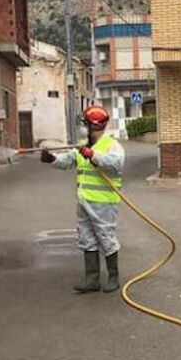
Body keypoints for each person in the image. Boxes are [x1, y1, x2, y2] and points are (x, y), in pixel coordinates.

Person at [41, 105, 125, 294]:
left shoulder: (112, 145)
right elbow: (68, 160)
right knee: (86, 238)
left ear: (94, 125)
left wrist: (93, 155)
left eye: (85, 124)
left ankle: (113, 278)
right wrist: (52, 159)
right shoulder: (83, 145)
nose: (82, 127)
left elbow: (116, 165)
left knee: (106, 237)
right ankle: (92, 280)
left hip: (104, 202)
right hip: (84, 201)